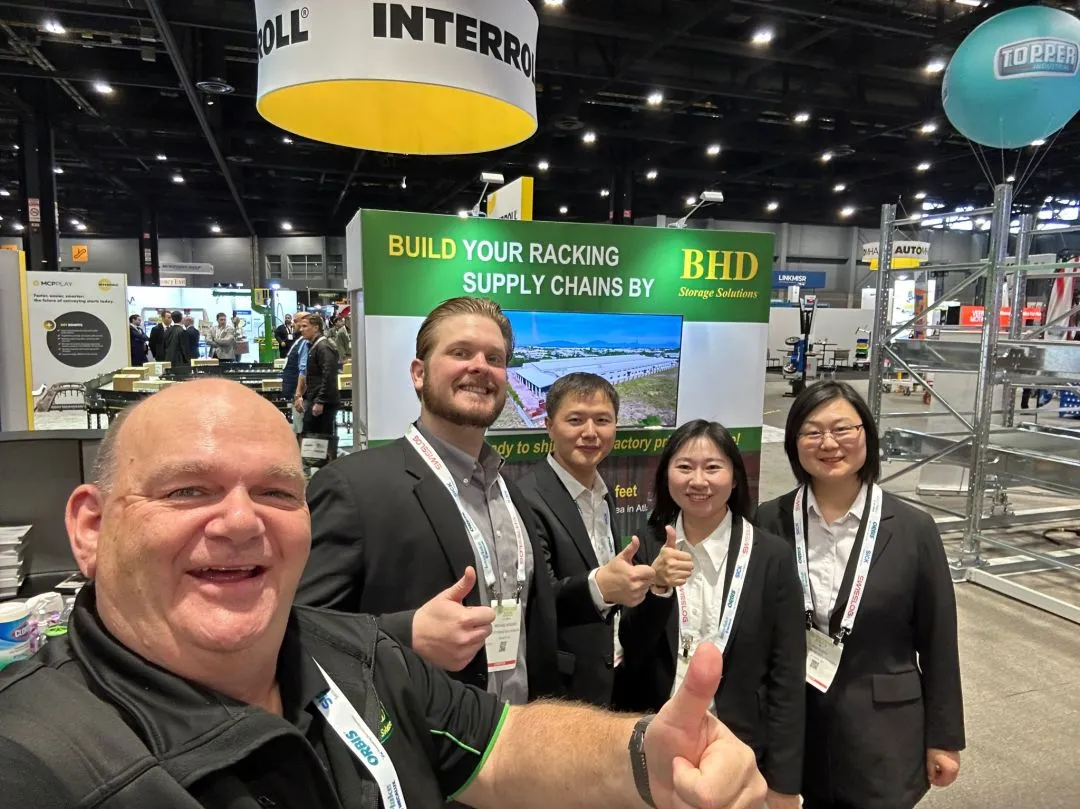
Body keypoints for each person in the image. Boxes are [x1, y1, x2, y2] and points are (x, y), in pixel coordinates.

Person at [0, 379, 767, 809]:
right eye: (187, 490)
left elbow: (503, 742)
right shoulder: (32, 761)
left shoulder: (357, 656)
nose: (239, 521)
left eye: (275, 491)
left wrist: (642, 754)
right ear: (90, 527)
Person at [297, 297, 560, 704]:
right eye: (460, 353)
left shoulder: (510, 493)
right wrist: (405, 634)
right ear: (419, 374)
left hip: (521, 728)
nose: (480, 366)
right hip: (422, 736)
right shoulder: (353, 487)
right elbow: (299, 629)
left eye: (494, 358)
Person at [755, 381, 965, 809]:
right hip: (795, 728)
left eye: (842, 429)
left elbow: (939, 640)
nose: (828, 443)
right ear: (794, 443)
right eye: (812, 432)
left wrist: (944, 738)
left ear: (866, 434)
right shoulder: (769, 520)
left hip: (884, 732)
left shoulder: (913, 528)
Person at [619, 420, 806, 809]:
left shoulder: (771, 556)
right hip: (656, 740)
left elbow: (787, 675)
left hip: (738, 745)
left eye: (713, 467)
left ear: (735, 478)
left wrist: (784, 784)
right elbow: (632, 649)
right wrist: (657, 586)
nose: (698, 480)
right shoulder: (646, 544)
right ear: (666, 475)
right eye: (685, 467)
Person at [517, 372, 655, 706]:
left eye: (602, 420)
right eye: (575, 420)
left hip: (610, 669)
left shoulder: (603, 494)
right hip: (561, 685)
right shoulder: (526, 498)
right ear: (549, 426)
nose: (590, 432)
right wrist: (599, 587)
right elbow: (533, 599)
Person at [296, 313, 340, 436]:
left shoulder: (323, 347)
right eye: (300, 326)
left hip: (323, 403)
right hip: (315, 399)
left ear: (316, 327)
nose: (301, 329)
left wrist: (320, 401)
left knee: (320, 439)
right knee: (311, 437)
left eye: (305, 326)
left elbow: (329, 376)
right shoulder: (314, 346)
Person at [281, 313, 310, 434]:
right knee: (298, 427)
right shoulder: (300, 340)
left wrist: (299, 395)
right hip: (295, 392)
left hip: (301, 396)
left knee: (301, 430)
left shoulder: (305, 342)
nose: (293, 324)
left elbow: (304, 371)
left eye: (296, 321)